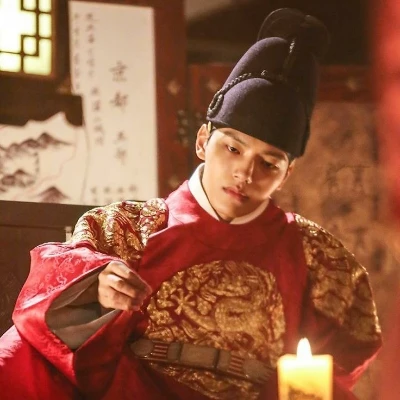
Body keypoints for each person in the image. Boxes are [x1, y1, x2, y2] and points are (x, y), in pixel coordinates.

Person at [0, 8, 381, 400]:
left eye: (269, 164)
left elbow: (337, 366)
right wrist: (95, 289)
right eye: (233, 148)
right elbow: (52, 290)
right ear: (202, 141)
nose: (245, 173)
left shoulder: (314, 254)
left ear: (287, 174)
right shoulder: (129, 228)